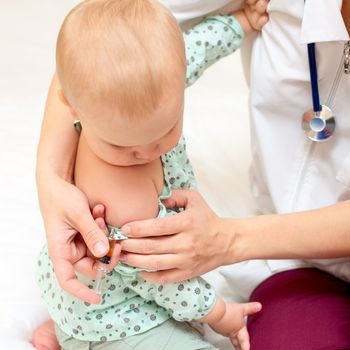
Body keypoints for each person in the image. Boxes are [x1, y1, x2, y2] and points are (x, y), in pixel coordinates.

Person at [34, 0, 350, 349]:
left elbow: (194, 49)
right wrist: (218, 312)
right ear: (73, 108)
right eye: (121, 148)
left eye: (166, 131)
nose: (147, 152)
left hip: (94, 304)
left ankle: (68, 329)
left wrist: (240, 23)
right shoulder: (120, 191)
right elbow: (159, 277)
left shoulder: (151, 87)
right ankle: (79, 338)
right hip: (126, 321)